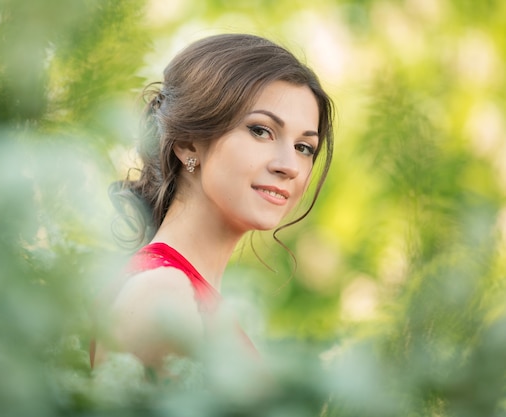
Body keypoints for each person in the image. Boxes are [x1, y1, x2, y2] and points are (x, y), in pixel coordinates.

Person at [92, 33, 334, 374]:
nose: (290, 166)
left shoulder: (194, 298)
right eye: (261, 131)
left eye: (304, 147)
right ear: (188, 143)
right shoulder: (163, 294)